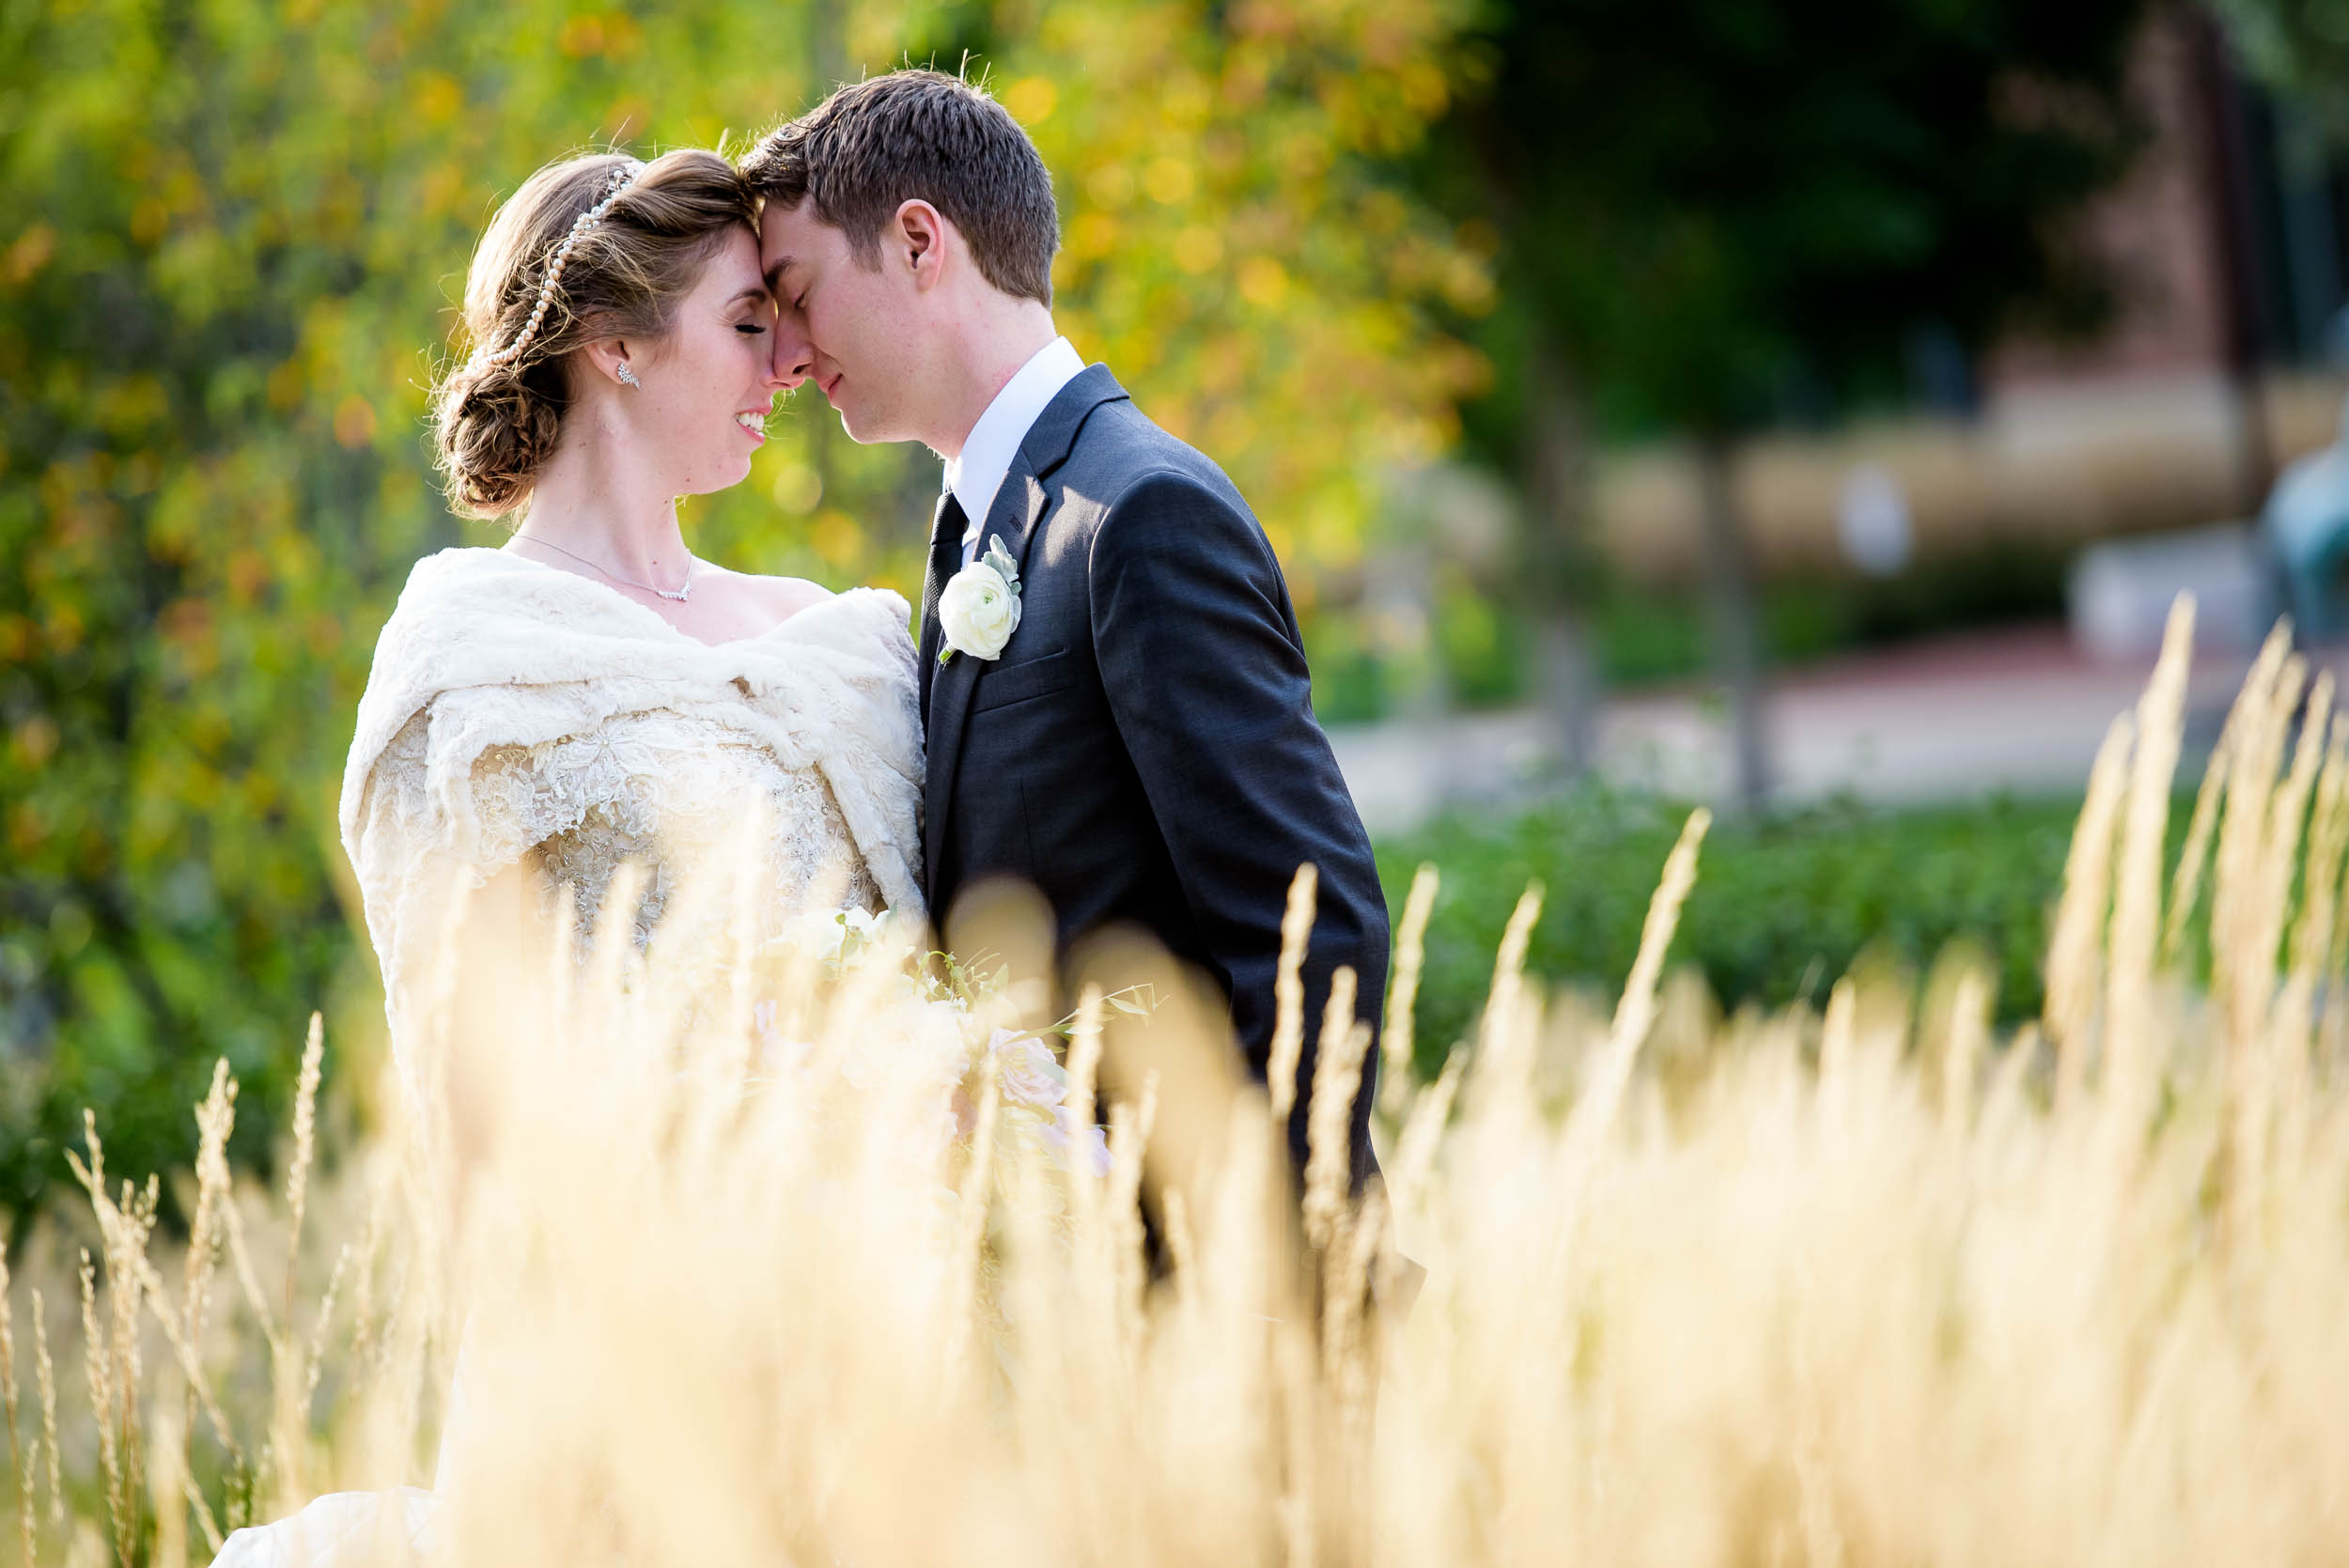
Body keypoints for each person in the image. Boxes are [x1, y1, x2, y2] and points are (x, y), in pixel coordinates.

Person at [210, 146, 924, 1568]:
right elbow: (474, 1108)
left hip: (891, 1328)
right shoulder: (474, 672)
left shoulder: (838, 636)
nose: (789, 360)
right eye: (743, 323)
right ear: (615, 345)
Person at [739, 70, 1391, 1196]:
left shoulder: (1137, 514)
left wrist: (1254, 1283)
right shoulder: (975, 530)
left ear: (915, 242)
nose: (786, 356)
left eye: (795, 292)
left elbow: (1307, 933)